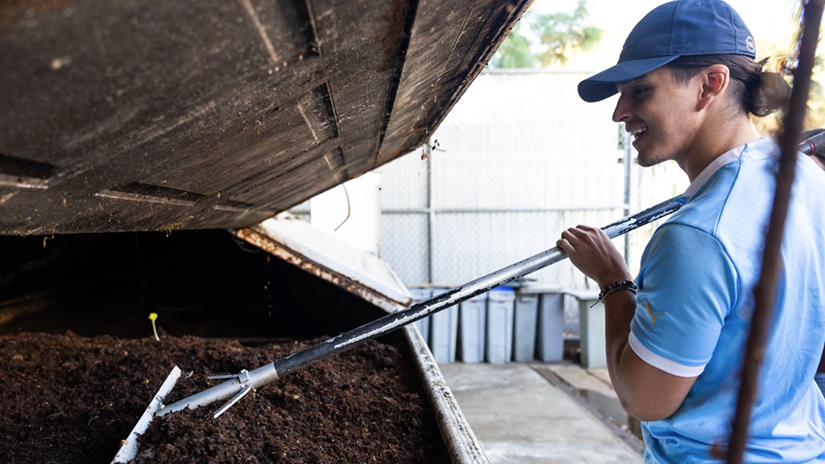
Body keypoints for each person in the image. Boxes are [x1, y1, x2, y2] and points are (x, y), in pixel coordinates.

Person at [556, 1, 825, 462]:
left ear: (710, 85)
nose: (620, 113)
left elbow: (644, 400)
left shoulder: (697, 236)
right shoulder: (807, 178)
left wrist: (612, 281)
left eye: (640, 90)